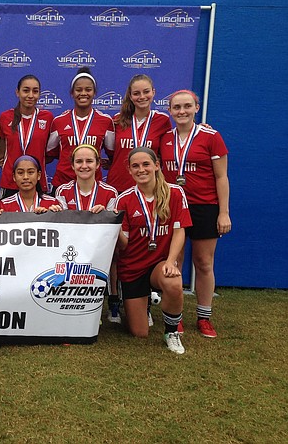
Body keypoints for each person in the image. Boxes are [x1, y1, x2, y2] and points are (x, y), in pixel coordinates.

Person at [160, 90, 231, 338]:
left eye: (187, 106)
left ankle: (204, 316)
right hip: (173, 206)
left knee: (203, 263)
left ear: (196, 108)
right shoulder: (164, 137)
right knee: (175, 263)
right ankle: (174, 317)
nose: (182, 111)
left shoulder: (211, 137)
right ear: (169, 110)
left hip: (204, 206)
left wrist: (224, 213)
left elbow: (221, 177)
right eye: (176, 107)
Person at [115, 147, 192, 354]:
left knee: (173, 281)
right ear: (130, 171)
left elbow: (179, 231)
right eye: (135, 166)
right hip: (132, 268)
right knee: (139, 333)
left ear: (157, 165)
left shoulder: (175, 192)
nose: (141, 169)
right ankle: (140, 300)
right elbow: (124, 244)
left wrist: (171, 261)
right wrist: (111, 226)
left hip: (159, 263)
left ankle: (171, 331)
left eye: (146, 164)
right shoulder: (124, 199)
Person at [54, 144, 120, 322]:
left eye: (89, 161)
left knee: (113, 256)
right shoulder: (63, 190)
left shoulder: (110, 192)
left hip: (100, 247)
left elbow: (113, 229)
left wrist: (104, 216)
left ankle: (113, 301)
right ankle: (72, 302)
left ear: (98, 164)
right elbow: (63, 225)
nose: (84, 165)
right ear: (72, 165)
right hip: (72, 245)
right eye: (79, 161)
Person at [47, 67, 114, 191]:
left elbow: (113, 153)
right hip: (62, 185)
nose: (83, 93)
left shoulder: (106, 121)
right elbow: (50, 153)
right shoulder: (59, 121)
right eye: (78, 90)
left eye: (88, 90)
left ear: (94, 93)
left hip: (93, 187)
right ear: (72, 93)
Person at [106, 74, 173, 193]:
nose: (142, 97)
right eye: (136, 93)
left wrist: (199, 127)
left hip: (149, 187)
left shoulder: (162, 120)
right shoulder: (117, 120)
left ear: (153, 92)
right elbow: (110, 151)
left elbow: (172, 145)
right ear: (130, 96)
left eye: (146, 92)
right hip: (118, 185)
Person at [0, 75, 53, 198]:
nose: (31, 95)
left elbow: (50, 153)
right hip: (10, 182)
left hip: (37, 182)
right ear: (17, 92)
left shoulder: (47, 118)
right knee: (8, 217)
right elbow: (2, 151)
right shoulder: (5, 117)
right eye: (26, 90)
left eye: (35, 91)